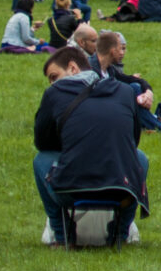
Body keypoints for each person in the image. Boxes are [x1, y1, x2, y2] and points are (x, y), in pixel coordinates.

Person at [32, 45, 152, 245]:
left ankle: (61, 235)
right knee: (139, 157)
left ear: (72, 68)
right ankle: (120, 233)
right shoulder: (124, 91)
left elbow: (43, 143)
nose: (52, 83)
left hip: (70, 191)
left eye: (54, 76)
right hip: (121, 190)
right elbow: (133, 140)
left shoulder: (55, 93)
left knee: (41, 159)